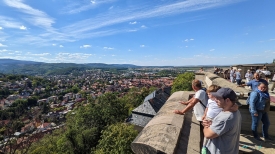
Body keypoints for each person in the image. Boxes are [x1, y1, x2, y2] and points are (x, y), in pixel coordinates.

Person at [202, 88, 242, 154]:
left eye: (218, 98)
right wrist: (212, 124)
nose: (215, 100)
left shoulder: (226, 118)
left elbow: (207, 135)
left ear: (227, 100)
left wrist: (205, 125)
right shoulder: (236, 111)